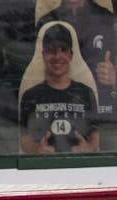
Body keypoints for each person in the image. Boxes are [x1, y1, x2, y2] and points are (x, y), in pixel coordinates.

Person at [19, 21, 101, 154]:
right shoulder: (30, 95)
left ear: (71, 55)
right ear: (43, 54)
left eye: (63, 50)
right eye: (51, 51)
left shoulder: (85, 93)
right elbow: (25, 139)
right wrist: (36, 150)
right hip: (43, 164)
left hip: (79, 163)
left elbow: (95, 136)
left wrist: (88, 149)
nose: (57, 57)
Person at [36, 0, 117, 121]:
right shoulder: (47, 22)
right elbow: (36, 71)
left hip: (99, 105)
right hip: (61, 105)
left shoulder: (105, 18)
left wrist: (115, 79)